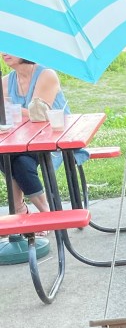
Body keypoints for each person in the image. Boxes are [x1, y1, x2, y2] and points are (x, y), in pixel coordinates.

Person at [1, 54, 78, 222]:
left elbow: (39, 114)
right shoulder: (6, 82)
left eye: (10, 49)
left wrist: (9, 108)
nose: (4, 53)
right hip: (23, 141)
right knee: (14, 159)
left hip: (54, 141)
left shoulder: (46, 74)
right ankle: (40, 212)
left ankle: (24, 211)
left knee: (15, 160)